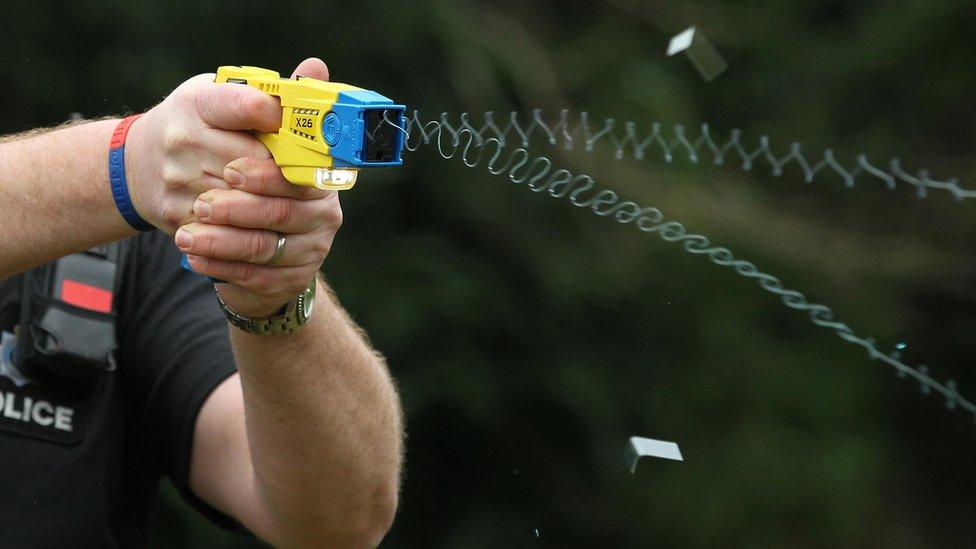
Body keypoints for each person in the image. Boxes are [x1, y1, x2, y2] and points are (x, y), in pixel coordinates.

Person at [0, 57, 403, 547]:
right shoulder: (132, 207)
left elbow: (341, 522)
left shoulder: (131, 247)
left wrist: (273, 294)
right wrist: (127, 164)